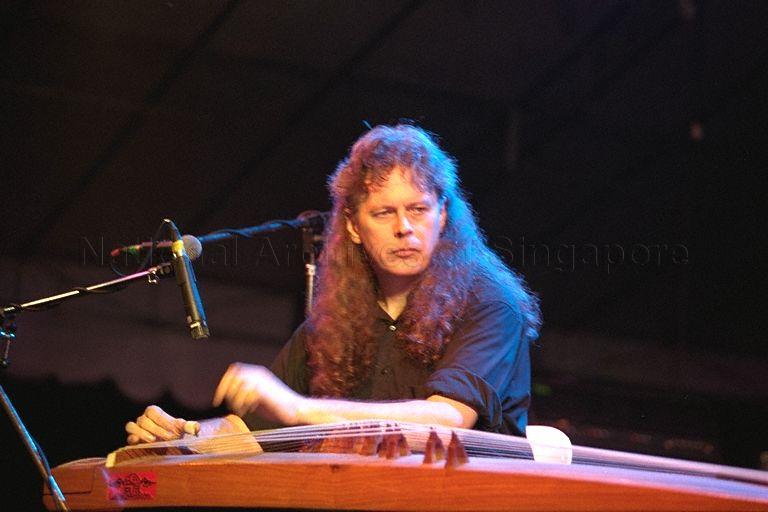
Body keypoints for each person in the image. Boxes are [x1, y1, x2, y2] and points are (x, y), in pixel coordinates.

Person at [125, 124, 541, 446]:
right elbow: (252, 432)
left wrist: (299, 409)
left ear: (443, 216)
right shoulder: (336, 318)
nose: (404, 228)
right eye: (383, 213)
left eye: (418, 210)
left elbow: (450, 419)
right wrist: (184, 437)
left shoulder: (488, 301)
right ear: (353, 226)